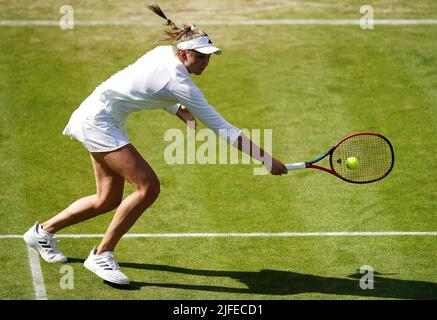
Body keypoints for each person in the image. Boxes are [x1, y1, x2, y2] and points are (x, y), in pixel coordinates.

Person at [23, 3, 288, 285]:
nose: (206, 63)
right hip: (97, 123)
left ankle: (42, 233)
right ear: (185, 53)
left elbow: (141, 86)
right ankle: (102, 254)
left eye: (209, 58)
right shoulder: (179, 82)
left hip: (100, 116)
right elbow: (223, 128)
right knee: (148, 186)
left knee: (107, 199)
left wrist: (175, 109)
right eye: (201, 57)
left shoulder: (165, 54)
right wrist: (266, 159)